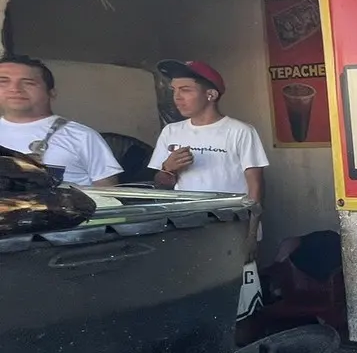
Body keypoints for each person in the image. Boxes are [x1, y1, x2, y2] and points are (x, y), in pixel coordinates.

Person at [148, 59, 269, 240]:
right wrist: (168, 168)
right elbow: (161, 184)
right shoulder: (171, 131)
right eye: (174, 90)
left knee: (236, 269)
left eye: (186, 90)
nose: (177, 98)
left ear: (211, 94)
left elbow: (256, 186)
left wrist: (251, 230)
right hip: (186, 226)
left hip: (232, 226)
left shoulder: (240, 131)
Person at [0, 55, 121, 187]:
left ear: (51, 93)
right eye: (3, 82)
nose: (15, 89)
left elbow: (109, 192)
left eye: (28, 83)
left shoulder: (82, 136)